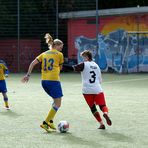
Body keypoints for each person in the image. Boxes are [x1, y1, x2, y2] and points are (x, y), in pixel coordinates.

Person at [22, 33, 64, 132]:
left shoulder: (44, 53)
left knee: (55, 101)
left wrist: (28, 75)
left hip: (44, 81)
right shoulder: (59, 55)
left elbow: (33, 63)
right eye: (61, 47)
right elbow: (61, 68)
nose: (61, 49)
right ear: (56, 46)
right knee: (58, 103)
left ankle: (50, 122)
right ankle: (45, 123)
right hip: (53, 81)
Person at [73, 50, 112, 129]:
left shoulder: (83, 64)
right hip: (97, 89)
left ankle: (101, 124)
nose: (83, 59)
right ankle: (105, 113)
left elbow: (74, 68)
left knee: (93, 108)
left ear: (87, 57)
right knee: (103, 106)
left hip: (86, 90)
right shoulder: (97, 66)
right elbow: (100, 81)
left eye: (83, 57)